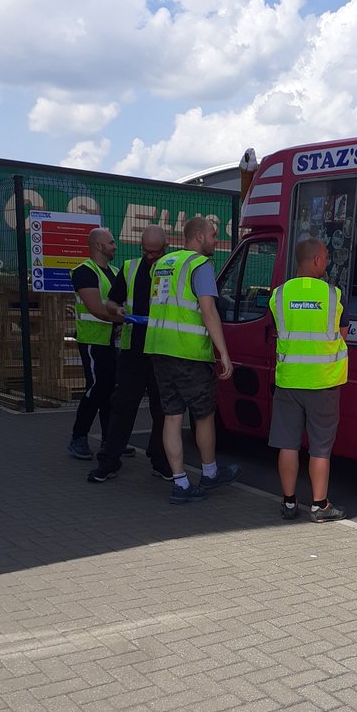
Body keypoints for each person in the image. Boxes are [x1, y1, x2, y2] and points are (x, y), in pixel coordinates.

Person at [144, 216, 239, 505]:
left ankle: (180, 483)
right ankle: (209, 473)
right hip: (189, 353)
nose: (215, 241)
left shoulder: (163, 264)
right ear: (198, 236)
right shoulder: (200, 266)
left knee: (172, 416)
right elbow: (209, 312)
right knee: (203, 415)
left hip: (159, 349)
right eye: (212, 235)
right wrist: (223, 352)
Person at [268, 237, 348, 522]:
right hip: (323, 383)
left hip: (288, 381)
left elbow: (279, 332)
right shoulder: (333, 295)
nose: (326, 262)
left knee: (288, 444)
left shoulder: (278, 295)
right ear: (316, 260)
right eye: (325, 257)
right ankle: (320, 506)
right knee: (320, 448)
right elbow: (343, 335)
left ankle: (289, 503)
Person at [87, 224, 172, 483]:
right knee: (123, 408)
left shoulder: (174, 268)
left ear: (166, 248)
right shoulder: (130, 267)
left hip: (162, 349)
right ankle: (109, 461)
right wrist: (117, 310)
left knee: (163, 410)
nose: (150, 257)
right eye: (146, 251)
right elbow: (112, 300)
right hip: (133, 350)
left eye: (155, 253)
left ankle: (161, 461)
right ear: (140, 248)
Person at [67, 227, 133, 460]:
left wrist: (122, 321)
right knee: (96, 389)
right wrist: (125, 319)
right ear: (98, 245)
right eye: (111, 242)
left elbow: (119, 303)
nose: (115, 246)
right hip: (93, 341)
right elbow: (95, 308)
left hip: (111, 342)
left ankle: (110, 441)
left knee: (110, 391)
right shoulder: (84, 272)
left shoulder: (115, 272)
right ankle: (78, 437)